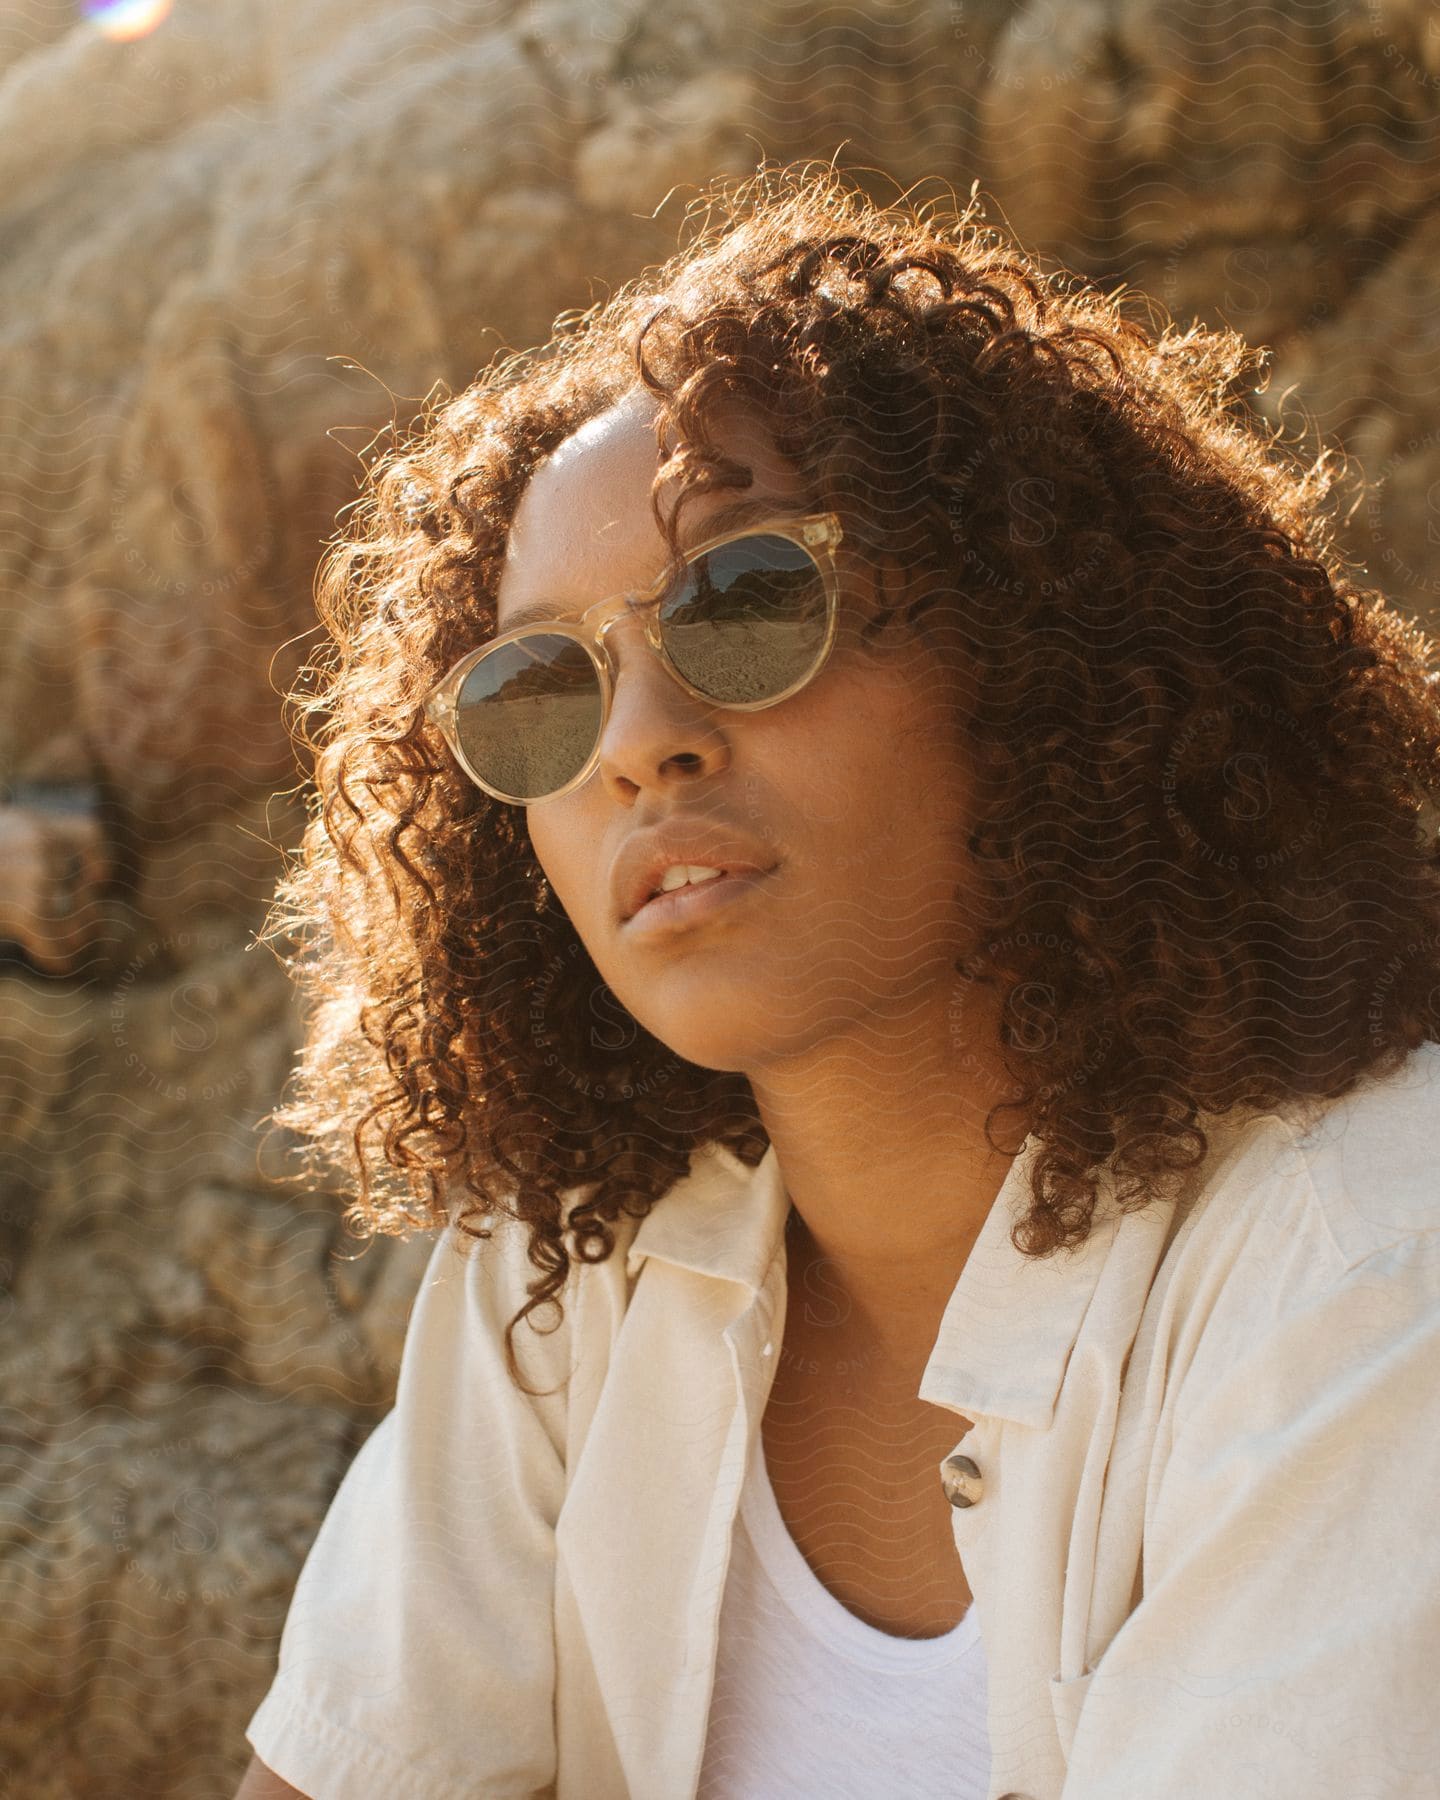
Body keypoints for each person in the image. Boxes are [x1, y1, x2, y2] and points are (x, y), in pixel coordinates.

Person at [233, 161, 1440, 1800]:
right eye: (537, 691)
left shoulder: (1370, 1255)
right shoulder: (579, 1253)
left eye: (747, 599)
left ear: (1035, 645)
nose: (642, 741)